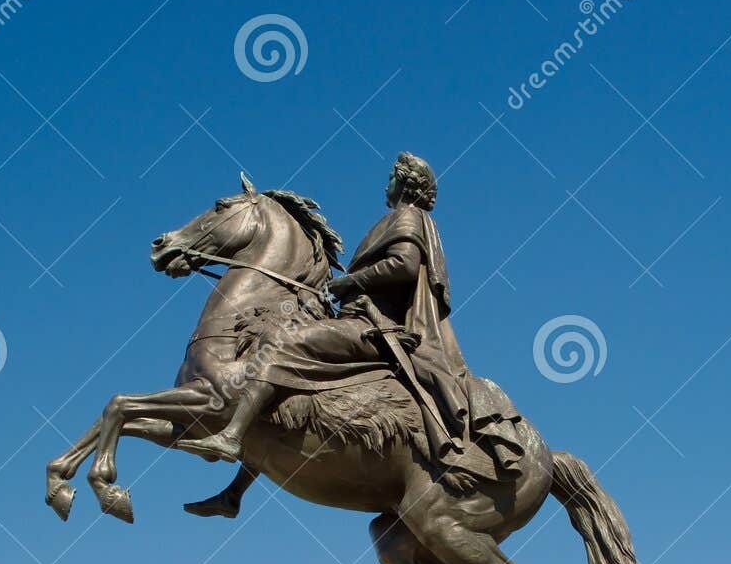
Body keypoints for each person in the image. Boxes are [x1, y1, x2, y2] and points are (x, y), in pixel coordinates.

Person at [177, 153, 523, 489]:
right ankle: (235, 491)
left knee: (282, 342)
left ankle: (233, 436)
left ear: (405, 184)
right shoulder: (397, 220)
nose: (385, 184)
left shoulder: (408, 217)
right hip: (359, 319)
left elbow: (402, 264)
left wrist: (346, 283)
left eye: (392, 177)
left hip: (373, 326)